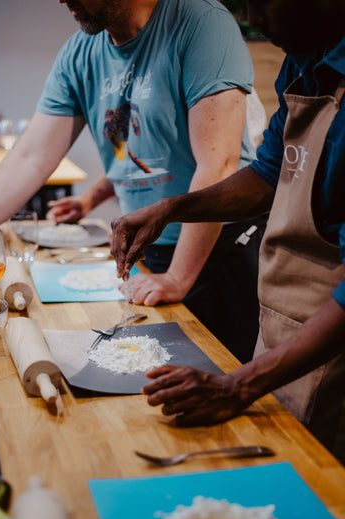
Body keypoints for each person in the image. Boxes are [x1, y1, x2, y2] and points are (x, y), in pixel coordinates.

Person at [0, 0, 266, 364]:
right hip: (147, 250)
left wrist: (177, 277)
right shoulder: (80, 52)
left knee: (225, 382)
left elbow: (219, 164)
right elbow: (31, 156)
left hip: (219, 248)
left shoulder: (202, 23)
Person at [110, 0, 345, 460]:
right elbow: (265, 178)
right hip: (281, 337)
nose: (252, 20)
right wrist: (172, 208)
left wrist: (238, 384)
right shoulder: (303, 65)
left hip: (331, 351)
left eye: (260, 3)